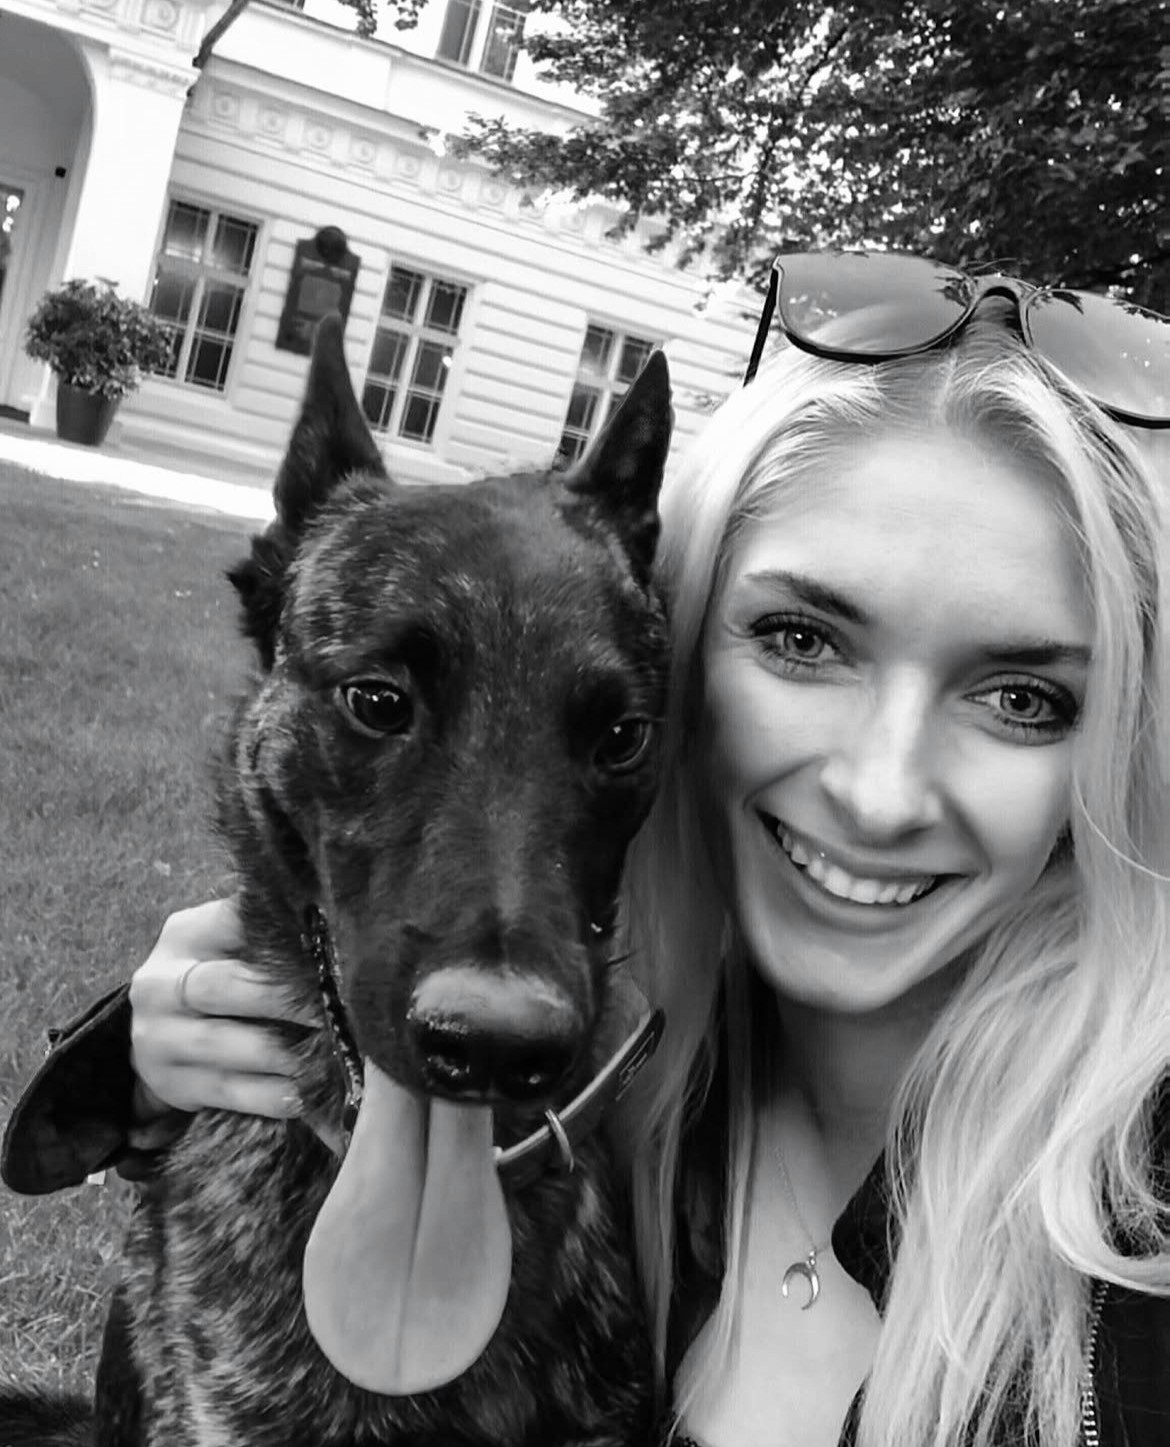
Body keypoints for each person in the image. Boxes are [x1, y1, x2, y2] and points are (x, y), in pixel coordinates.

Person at [4, 252, 1168, 1447]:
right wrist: (134, 1070)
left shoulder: (1135, 1257)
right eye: (803, 639)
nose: (879, 794)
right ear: (691, 642)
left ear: (1127, 740)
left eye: (1023, 696)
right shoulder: (664, 1080)